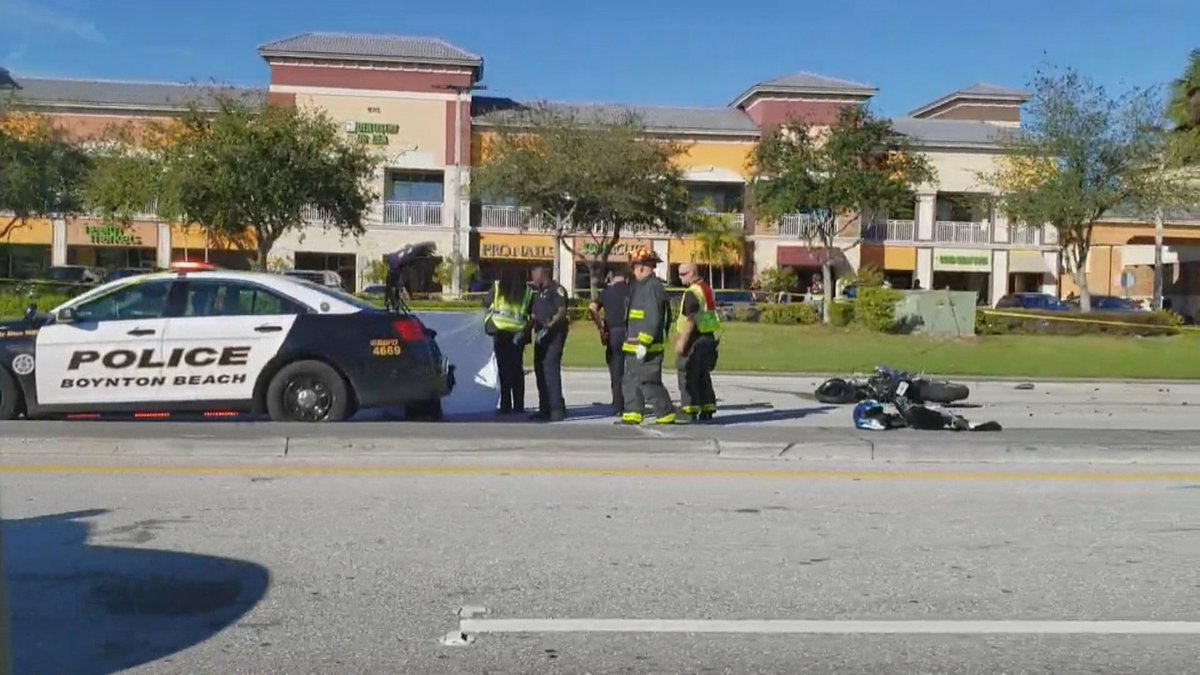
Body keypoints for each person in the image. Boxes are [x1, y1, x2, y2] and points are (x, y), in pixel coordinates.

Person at [618, 249, 675, 425]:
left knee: (648, 380)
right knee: (630, 380)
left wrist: (644, 341)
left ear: (642, 267)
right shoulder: (640, 286)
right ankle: (632, 413)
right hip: (634, 344)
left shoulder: (653, 287)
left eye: (635, 267)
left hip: (647, 346)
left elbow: (653, 316)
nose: (633, 271)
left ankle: (665, 412)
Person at [674, 263, 720, 423]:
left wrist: (682, 341)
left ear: (693, 273)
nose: (680, 277)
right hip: (708, 337)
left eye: (683, 274)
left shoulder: (692, 292)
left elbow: (691, 318)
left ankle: (689, 410)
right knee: (702, 375)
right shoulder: (706, 289)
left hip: (694, 338)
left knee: (687, 373)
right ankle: (707, 408)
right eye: (679, 274)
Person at [482, 275, 533, 415]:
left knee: (503, 369)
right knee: (517, 369)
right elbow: (530, 310)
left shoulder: (498, 286)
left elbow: (486, 302)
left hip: (500, 330)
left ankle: (505, 405)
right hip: (518, 332)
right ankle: (519, 405)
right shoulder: (527, 290)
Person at [588, 267, 632, 416]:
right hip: (630, 332)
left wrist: (601, 327)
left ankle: (618, 405)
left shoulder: (606, 292)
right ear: (626, 278)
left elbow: (592, 308)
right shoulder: (633, 291)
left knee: (616, 370)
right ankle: (633, 402)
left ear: (611, 277)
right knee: (632, 369)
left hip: (613, 332)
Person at [529, 265, 569, 421]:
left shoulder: (556, 289)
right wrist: (526, 329)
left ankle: (556, 409)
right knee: (539, 369)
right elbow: (534, 314)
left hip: (554, 335)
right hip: (541, 335)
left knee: (550, 370)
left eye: (534, 274)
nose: (533, 278)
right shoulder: (538, 293)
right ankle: (544, 408)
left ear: (543, 274)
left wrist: (550, 324)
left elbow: (561, 310)